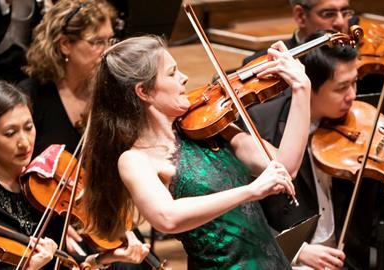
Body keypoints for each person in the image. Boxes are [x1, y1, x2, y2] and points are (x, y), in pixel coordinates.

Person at [82, 35, 311, 269]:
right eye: (172, 73)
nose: (184, 78)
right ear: (144, 92)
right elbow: (167, 218)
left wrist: (302, 88)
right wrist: (250, 191)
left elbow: (286, 167)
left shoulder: (209, 127)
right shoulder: (136, 160)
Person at [243, 31, 384, 270]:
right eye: (341, 88)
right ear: (308, 85)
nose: (352, 95)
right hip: (283, 262)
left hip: (346, 262)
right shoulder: (262, 128)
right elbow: (243, 215)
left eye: (355, 82)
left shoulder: (364, 123)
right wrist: (299, 251)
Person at [0, 81, 150, 269]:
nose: (24, 142)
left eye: (29, 128)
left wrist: (103, 260)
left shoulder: (47, 183)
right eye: (10, 133)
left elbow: (70, 264)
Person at [19, 0, 116, 157]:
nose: (108, 51)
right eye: (97, 42)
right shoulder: (31, 96)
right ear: (65, 44)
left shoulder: (110, 92)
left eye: (110, 40)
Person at [243, 0, 355, 65]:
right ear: (300, 16)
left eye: (345, 12)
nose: (341, 22)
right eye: (329, 14)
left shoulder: (362, 63)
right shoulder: (265, 65)